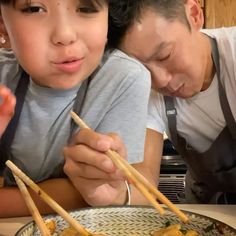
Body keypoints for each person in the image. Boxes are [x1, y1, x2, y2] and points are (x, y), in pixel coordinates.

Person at [65, 0, 236, 204]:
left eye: (165, 55)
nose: (160, 81)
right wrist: (117, 193)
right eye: (142, 70)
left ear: (194, 14)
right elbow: (144, 178)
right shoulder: (143, 86)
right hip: (208, 211)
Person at [0, 0, 152, 217]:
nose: (65, 34)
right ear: (2, 24)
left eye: (87, 7)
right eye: (34, 9)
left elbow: (97, 193)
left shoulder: (123, 77)